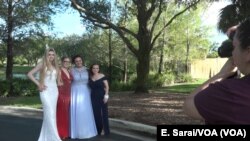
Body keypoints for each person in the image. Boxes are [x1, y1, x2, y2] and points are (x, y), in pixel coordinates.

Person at [183, 18, 250, 124]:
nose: (232, 53)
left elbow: (189, 105)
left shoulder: (231, 93)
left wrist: (221, 74)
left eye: (234, 46)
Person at [27, 48, 61, 141]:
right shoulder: (42, 64)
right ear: (46, 55)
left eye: (53, 55)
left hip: (54, 92)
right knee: (49, 113)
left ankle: (46, 138)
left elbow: (57, 81)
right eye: (49, 54)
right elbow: (29, 74)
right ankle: (55, 138)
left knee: (51, 114)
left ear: (55, 56)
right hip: (45, 91)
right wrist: (39, 84)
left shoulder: (55, 66)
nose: (51, 56)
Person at [70, 55, 97, 139]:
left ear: (82, 61)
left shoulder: (88, 70)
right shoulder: (71, 70)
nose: (78, 62)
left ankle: (87, 131)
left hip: (86, 92)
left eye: (80, 60)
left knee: (86, 111)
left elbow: (95, 78)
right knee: (77, 111)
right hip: (75, 92)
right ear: (74, 62)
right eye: (76, 61)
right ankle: (76, 132)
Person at [89, 63, 110, 135]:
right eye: (94, 68)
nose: (95, 69)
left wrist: (106, 96)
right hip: (93, 97)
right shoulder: (90, 77)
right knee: (96, 113)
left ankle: (105, 130)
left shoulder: (102, 75)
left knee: (103, 113)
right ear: (91, 69)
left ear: (99, 69)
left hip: (102, 96)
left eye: (97, 68)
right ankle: (98, 129)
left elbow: (107, 87)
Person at [56, 57, 72, 140]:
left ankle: (65, 133)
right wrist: (62, 86)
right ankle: (61, 134)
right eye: (65, 61)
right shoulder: (59, 70)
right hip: (62, 94)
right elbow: (58, 82)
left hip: (69, 94)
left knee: (66, 114)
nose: (66, 63)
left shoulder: (69, 71)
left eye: (68, 62)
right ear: (62, 62)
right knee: (62, 114)